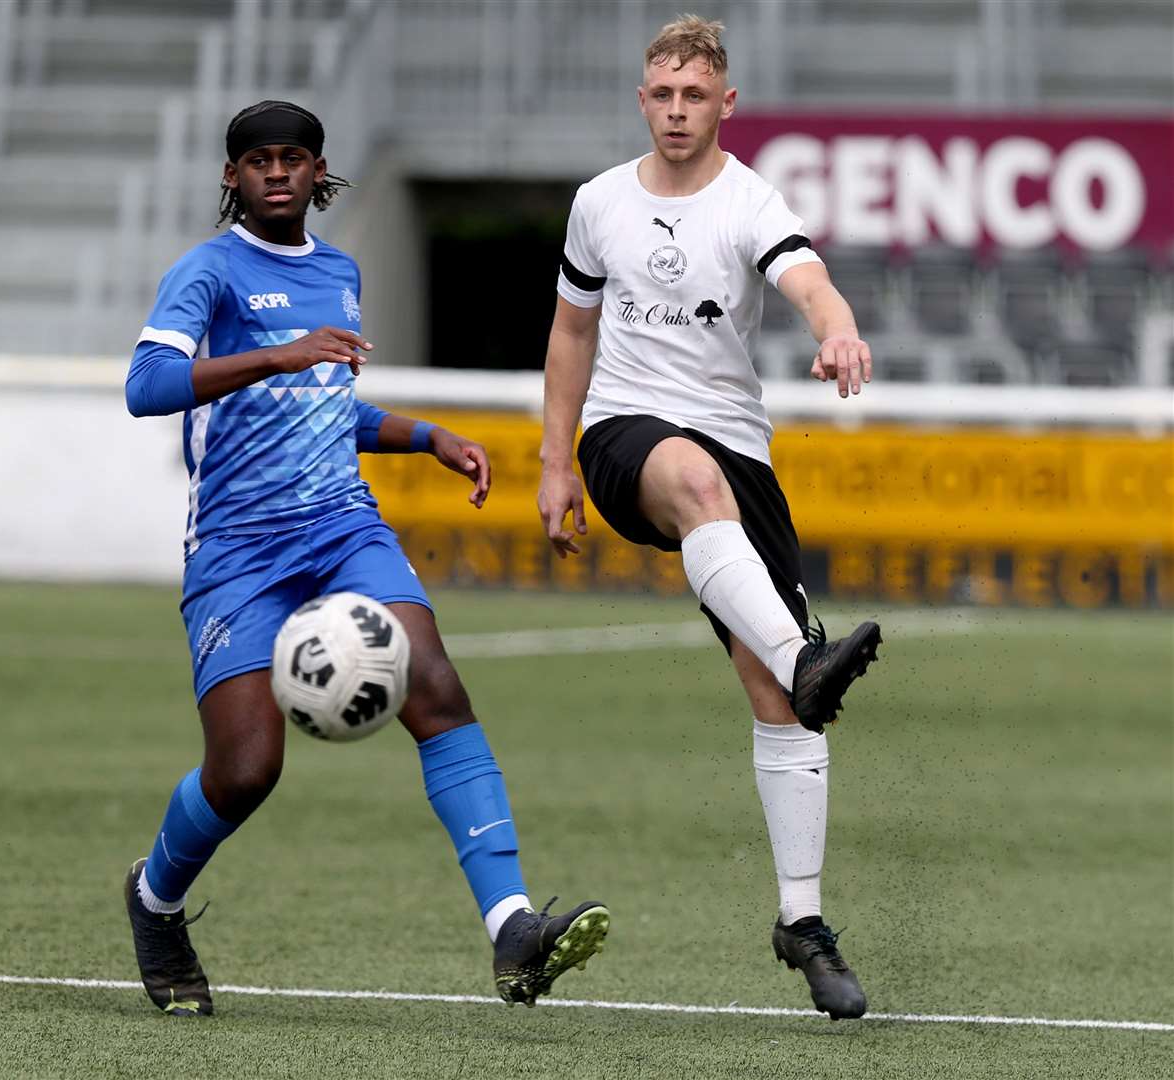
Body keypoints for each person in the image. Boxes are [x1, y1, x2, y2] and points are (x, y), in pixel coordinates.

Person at [122, 100, 608, 1017]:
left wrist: (424, 435)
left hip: (342, 525)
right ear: (232, 177)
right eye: (258, 160)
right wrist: (278, 355)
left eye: (294, 158)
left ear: (317, 172)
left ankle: (511, 927)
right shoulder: (207, 273)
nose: (276, 172)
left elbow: (319, 408)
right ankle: (156, 902)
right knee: (245, 770)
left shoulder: (339, 272)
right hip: (238, 549)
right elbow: (146, 387)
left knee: (436, 685)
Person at [536, 17, 880, 1021]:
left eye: (695, 96)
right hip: (626, 440)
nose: (677, 110)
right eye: (662, 94)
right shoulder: (598, 202)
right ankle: (801, 654)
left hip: (740, 456)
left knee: (779, 702)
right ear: (642, 99)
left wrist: (841, 328)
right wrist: (555, 461)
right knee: (689, 482)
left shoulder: (749, 201)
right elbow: (569, 330)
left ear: (724, 104)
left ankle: (802, 921)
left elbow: (804, 278)